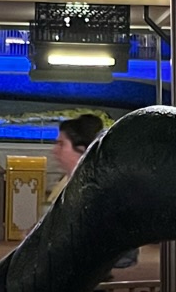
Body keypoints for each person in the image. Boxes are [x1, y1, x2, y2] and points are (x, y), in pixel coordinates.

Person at [52, 113, 139, 274]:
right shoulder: (69, 184)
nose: (55, 151)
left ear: (81, 149)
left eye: (61, 144)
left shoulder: (97, 190)